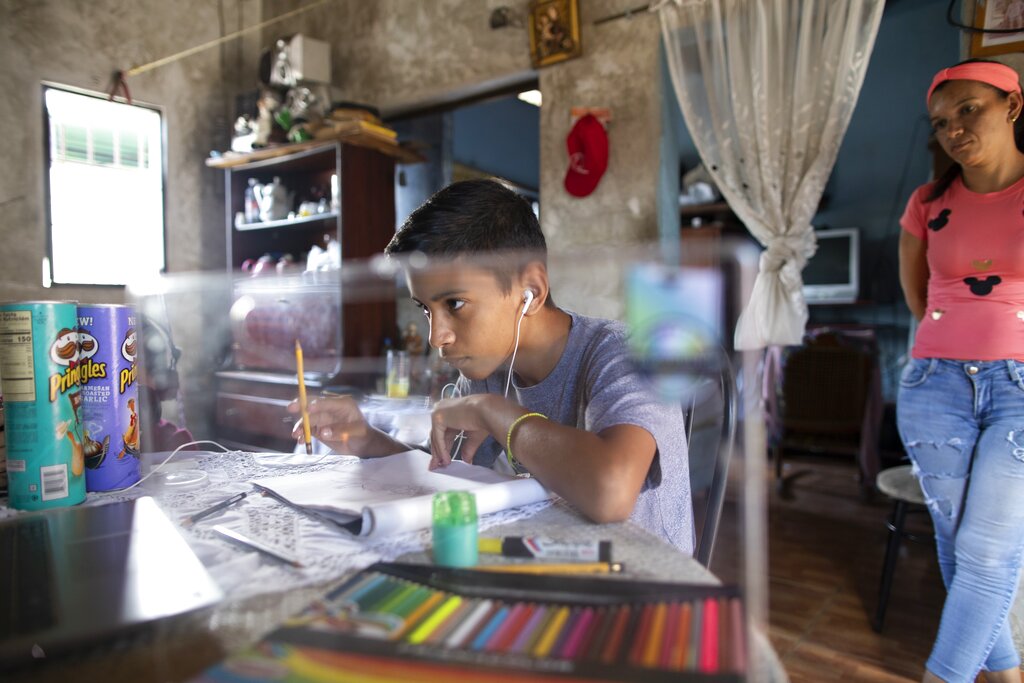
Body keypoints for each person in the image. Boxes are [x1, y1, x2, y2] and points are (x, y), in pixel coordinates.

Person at [290, 179, 693, 553]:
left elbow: (611, 491)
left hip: (647, 587)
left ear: (530, 292)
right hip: (552, 563)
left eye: (455, 304)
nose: (437, 337)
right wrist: (366, 440)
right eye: (426, 310)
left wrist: (493, 412)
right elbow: (444, 474)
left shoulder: (625, 353)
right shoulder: (489, 369)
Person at [897, 59, 1024, 683]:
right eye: (942, 121)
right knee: (957, 544)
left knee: (987, 549)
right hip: (934, 385)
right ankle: (1004, 674)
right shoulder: (928, 202)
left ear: (1012, 106)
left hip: (1020, 389)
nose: (954, 129)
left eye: (969, 109)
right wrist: (954, 339)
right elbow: (919, 296)